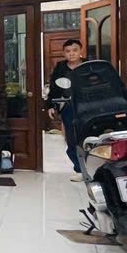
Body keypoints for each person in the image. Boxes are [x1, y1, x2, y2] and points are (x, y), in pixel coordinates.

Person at [47, 38, 86, 181]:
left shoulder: (88, 65)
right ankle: (80, 169)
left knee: (87, 137)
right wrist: (51, 105)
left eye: (75, 50)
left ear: (81, 50)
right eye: (68, 51)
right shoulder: (60, 68)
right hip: (68, 106)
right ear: (64, 53)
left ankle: (92, 168)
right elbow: (54, 88)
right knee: (72, 139)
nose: (72, 53)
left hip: (87, 107)